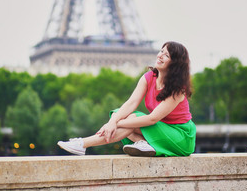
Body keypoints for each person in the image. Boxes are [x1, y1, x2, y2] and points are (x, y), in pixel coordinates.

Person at [57, 41, 196, 157]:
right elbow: (131, 103)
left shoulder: (178, 89)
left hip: (180, 135)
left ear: (175, 64)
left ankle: (83, 143)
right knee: (119, 113)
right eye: (161, 51)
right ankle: (143, 143)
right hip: (159, 129)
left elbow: (152, 119)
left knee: (130, 119)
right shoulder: (148, 77)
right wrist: (112, 121)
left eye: (167, 55)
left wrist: (118, 123)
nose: (160, 56)